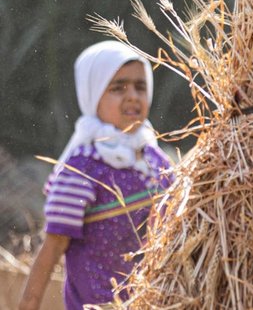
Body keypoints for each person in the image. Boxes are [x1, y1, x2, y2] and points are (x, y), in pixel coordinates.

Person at [19, 41, 174, 310]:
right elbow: (54, 247)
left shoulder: (154, 158)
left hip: (159, 302)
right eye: (118, 88)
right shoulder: (82, 170)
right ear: (93, 95)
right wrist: (29, 303)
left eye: (140, 86)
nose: (133, 96)